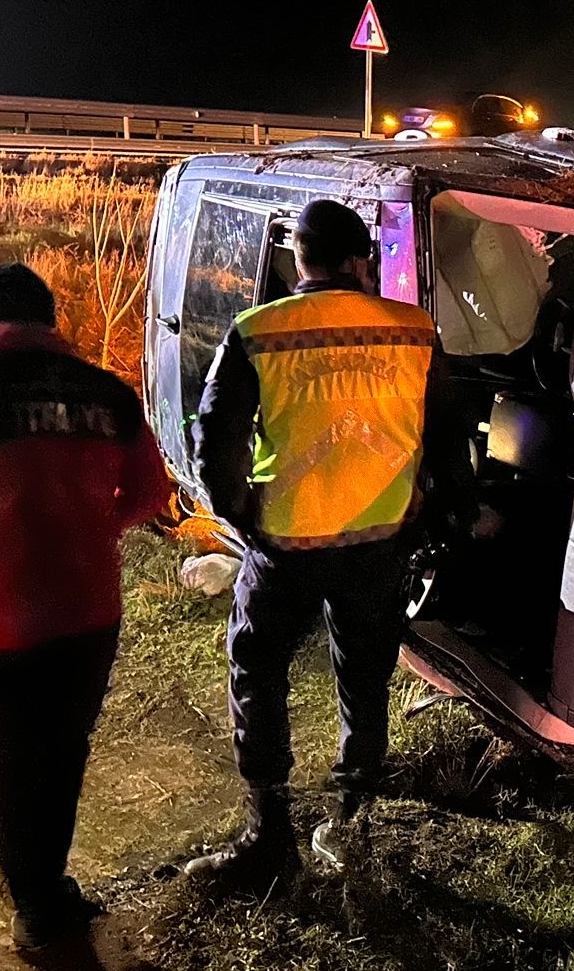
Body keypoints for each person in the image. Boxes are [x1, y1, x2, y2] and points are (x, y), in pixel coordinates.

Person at [186, 198, 470, 888]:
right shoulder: (413, 329)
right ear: (358, 260)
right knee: (365, 674)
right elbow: (448, 439)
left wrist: (240, 517)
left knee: (258, 672)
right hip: (379, 543)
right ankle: (354, 816)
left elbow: (214, 441)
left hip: (285, 543)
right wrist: (445, 514)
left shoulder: (258, 329)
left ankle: (269, 835)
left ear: (297, 260)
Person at [0, 262, 170, 950]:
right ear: (50, 322)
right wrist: (94, 525)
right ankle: (47, 888)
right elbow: (150, 491)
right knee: (60, 750)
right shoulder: (108, 391)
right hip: (88, 610)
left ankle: (35, 901)